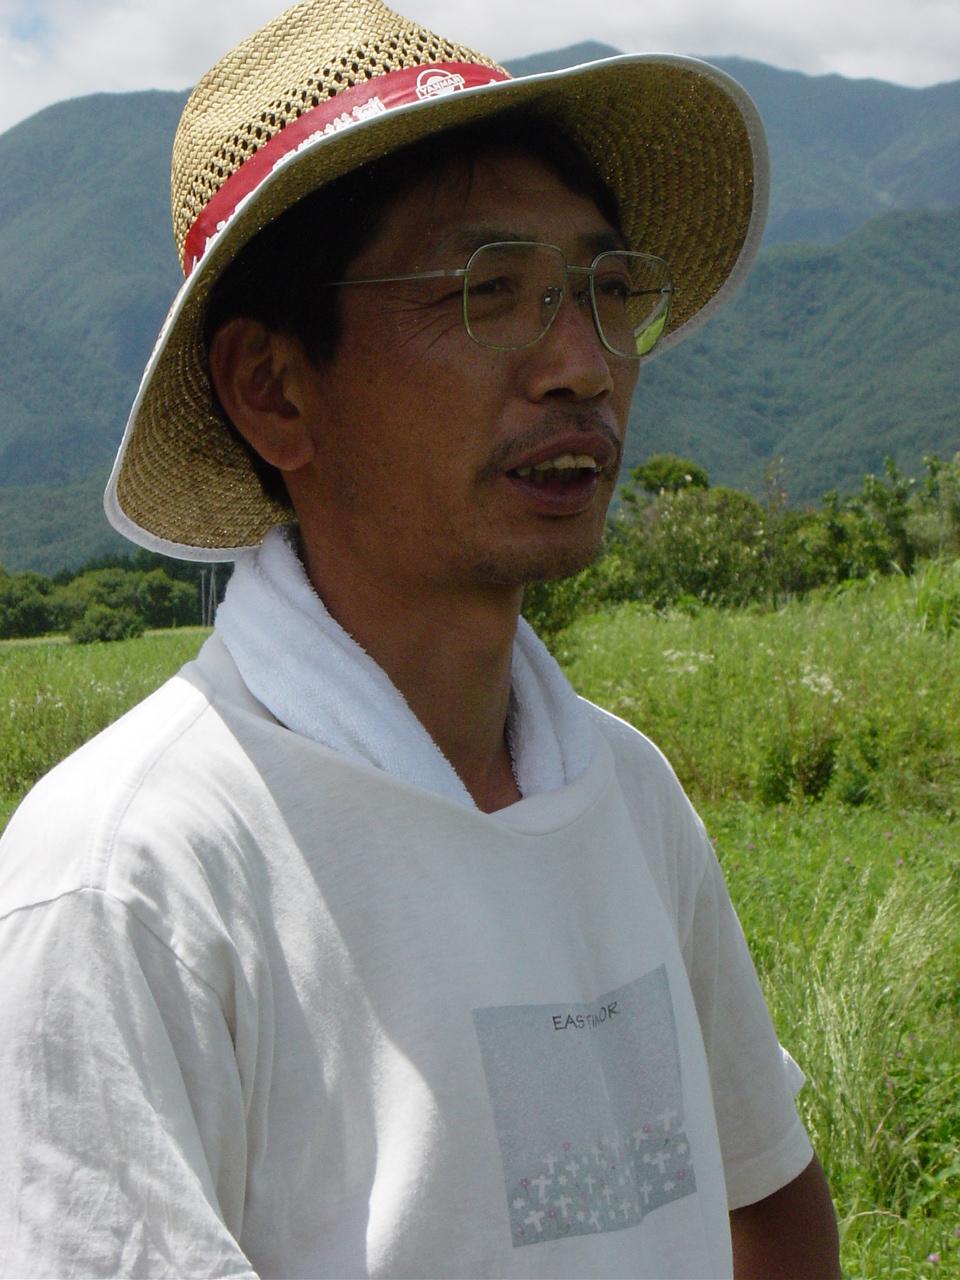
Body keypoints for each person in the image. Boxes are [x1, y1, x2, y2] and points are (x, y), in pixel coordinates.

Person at [0, 1, 841, 1276]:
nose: (583, 365)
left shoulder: (625, 792)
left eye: (605, 289)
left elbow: (762, 1200)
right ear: (273, 388)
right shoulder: (133, 881)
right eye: (487, 290)